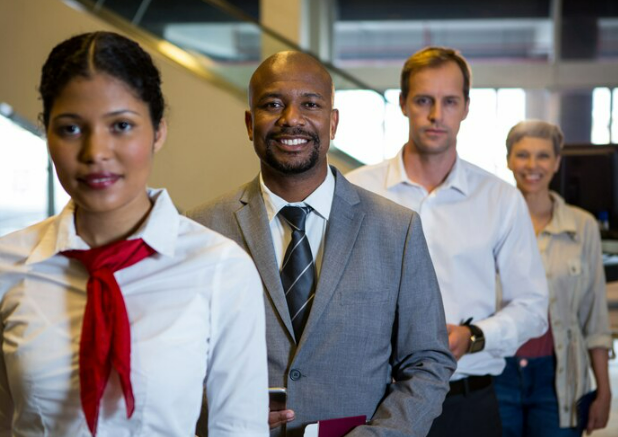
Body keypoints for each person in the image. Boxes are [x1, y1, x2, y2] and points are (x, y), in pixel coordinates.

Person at [0, 31, 269, 436]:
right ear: (47, 134)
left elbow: (238, 430)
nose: (96, 152)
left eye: (121, 125)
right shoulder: (2, 266)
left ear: (158, 131)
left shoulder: (220, 269)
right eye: (71, 129)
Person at [188, 51, 456, 437]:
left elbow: (428, 362)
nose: (291, 118)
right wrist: (214, 413)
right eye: (272, 104)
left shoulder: (397, 230)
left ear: (332, 122)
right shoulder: (200, 229)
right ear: (250, 123)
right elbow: (173, 360)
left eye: (309, 104)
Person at [346, 47, 549, 437]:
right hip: (375, 403)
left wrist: (473, 337)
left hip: (468, 403)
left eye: (450, 101)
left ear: (467, 107)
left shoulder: (500, 198)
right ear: (403, 103)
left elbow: (533, 306)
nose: (437, 115)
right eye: (424, 100)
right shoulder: (356, 190)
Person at [493, 120, 613, 437]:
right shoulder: (488, 220)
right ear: (508, 160)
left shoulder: (582, 226)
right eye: (523, 155)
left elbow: (594, 314)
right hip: (496, 372)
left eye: (544, 156)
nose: (533, 166)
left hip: (557, 375)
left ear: (558, 161)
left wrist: (604, 389)